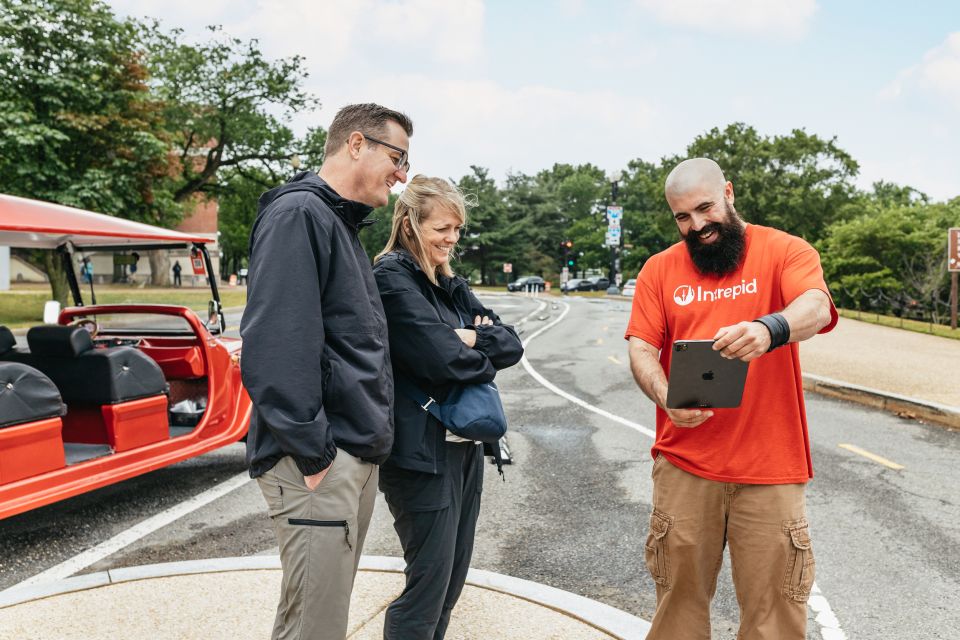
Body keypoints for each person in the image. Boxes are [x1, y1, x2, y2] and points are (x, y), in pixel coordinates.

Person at [624, 158, 838, 640]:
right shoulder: (659, 270)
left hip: (771, 469)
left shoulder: (785, 250)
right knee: (677, 611)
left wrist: (770, 328)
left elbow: (817, 307)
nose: (697, 226)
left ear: (729, 193)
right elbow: (640, 346)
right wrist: (664, 395)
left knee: (776, 619)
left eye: (705, 208)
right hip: (684, 466)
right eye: (683, 217)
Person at [240, 103, 413, 640]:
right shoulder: (300, 215)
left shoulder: (335, 222)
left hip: (345, 453)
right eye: (398, 156)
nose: (403, 174)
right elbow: (274, 345)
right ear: (356, 143)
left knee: (308, 619)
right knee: (317, 628)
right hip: (316, 460)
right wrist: (316, 454)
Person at [373, 175, 523, 639]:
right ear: (410, 223)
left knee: (452, 581)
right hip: (421, 458)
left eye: (457, 229)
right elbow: (440, 358)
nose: (452, 239)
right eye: (443, 228)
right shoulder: (392, 278)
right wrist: (471, 349)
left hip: (464, 449)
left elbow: (511, 344)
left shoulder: (448, 282)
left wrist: (472, 337)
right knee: (427, 587)